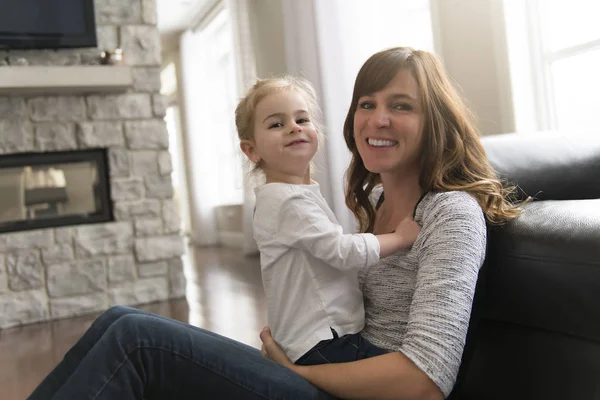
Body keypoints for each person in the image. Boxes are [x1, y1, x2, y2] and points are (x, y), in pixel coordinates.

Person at [28, 46, 524, 400]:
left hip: (342, 385)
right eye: (367, 104)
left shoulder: (449, 213)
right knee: (120, 320)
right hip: (324, 365)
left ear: (433, 120)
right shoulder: (374, 204)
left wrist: (296, 370)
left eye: (401, 106)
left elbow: (424, 381)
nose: (377, 119)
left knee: (134, 339)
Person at [236, 75, 421, 365]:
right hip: (323, 340)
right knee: (399, 370)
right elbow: (342, 251)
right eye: (276, 124)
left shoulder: (290, 196)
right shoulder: (289, 202)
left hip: (311, 337)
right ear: (252, 150)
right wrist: (399, 238)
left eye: (302, 119)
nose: (293, 128)